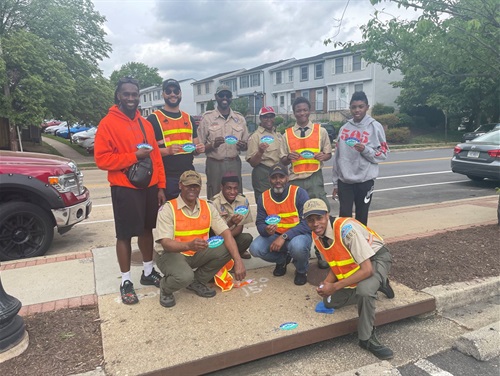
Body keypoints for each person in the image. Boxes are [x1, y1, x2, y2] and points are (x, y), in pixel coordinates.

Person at [94, 77, 166, 305]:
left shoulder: (146, 124)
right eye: (127, 94)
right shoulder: (108, 123)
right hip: (124, 188)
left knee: (147, 230)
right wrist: (133, 157)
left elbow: (155, 157)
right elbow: (102, 159)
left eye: (135, 94)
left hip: (149, 187)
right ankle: (125, 280)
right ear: (118, 96)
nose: (131, 98)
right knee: (124, 234)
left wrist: (161, 186)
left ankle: (147, 272)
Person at [303, 198, 395, 360]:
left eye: (319, 218)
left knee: (365, 291)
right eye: (310, 220)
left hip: (375, 259)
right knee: (330, 301)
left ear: (327, 215)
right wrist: (328, 284)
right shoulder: (316, 236)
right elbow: (336, 264)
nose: (315, 223)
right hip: (357, 263)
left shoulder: (346, 229)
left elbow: (367, 269)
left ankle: (366, 338)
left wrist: (336, 286)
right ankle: (378, 284)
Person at [154, 170, 246, 308]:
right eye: (188, 186)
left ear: (200, 187)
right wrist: (189, 245)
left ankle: (197, 281)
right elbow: (166, 244)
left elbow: (226, 233)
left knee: (228, 247)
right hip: (171, 254)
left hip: (195, 251)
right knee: (184, 276)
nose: (192, 189)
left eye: (195, 186)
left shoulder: (207, 206)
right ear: (180, 186)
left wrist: (238, 261)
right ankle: (166, 288)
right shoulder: (168, 209)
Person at [280, 96, 332, 269]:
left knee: (321, 216)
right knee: (298, 218)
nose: (301, 113)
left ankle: (323, 253)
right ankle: (298, 252)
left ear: (309, 111)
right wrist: (288, 158)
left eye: (304, 109)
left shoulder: (320, 131)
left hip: (315, 177)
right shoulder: (286, 134)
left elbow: (328, 153)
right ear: (293, 113)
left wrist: (324, 156)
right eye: (298, 110)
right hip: (295, 181)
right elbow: (283, 160)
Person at [249, 163, 311, 285]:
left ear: (287, 178)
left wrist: (284, 237)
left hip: (298, 235)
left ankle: (301, 270)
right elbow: (260, 222)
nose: (278, 181)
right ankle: (283, 259)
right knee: (255, 249)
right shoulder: (263, 197)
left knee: (297, 247)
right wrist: (266, 230)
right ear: (269, 179)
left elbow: (307, 223)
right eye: (274, 177)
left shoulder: (299, 193)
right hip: (275, 235)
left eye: (281, 177)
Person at [332, 91, 388, 226]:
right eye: (354, 107)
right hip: (345, 181)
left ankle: (361, 244)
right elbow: (338, 157)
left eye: (360, 106)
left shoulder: (375, 127)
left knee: (361, 217)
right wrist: (335, 183)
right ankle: (345, 245)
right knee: (344, 217)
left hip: (365, 181)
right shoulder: (344, 128)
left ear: (367, 107)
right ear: (350, 108)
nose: (357, 110)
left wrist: (365, 150)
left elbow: (383, 154)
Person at [147, 78, 205, 201]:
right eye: (168, 91)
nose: (173, 94)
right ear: (163, 94)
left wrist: (199, 148)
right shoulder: (153, 119)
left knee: (190, 214)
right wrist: (167, 151)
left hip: (189, 175)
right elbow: (147, 151)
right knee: (169, 216)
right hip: (167, 178)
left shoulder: (188, 118)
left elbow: (195, 146)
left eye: (176, 91)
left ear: (180, 93)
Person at [198, 84, 249, 199]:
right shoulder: (207, 118)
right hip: (215, 163)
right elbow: (199, 147)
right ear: (216, 97)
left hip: (233, 162)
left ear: (231, 97)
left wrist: (243, 145)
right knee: (215, 196)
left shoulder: (239, 119)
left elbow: (246, 145)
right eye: (222, 95)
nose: (225, 98)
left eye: (228, 95)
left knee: (235, 196)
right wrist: (212, 145)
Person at [210, 173, 253, 259]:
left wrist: (229, 240)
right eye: (229, 188)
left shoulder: (242, 201)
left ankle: (233, 255)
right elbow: (213, 231)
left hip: (233, 235)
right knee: (217, 249)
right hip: (216, 238)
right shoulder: (214, 203)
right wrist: (230, 223)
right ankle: (226, 256)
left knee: (247, 238)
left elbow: (239, 227)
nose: (233, 192)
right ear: (222, 187)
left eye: (235, 188)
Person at [246, 106, 283, 203]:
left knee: (278, 202)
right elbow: (253, 163)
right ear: (261, 118)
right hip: (263, 173)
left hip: (277, 172)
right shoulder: (255, 136)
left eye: (271, 116)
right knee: (264, 203)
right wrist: (260, 152)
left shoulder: (278, 135)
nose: (269, 119)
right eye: (265, 117)